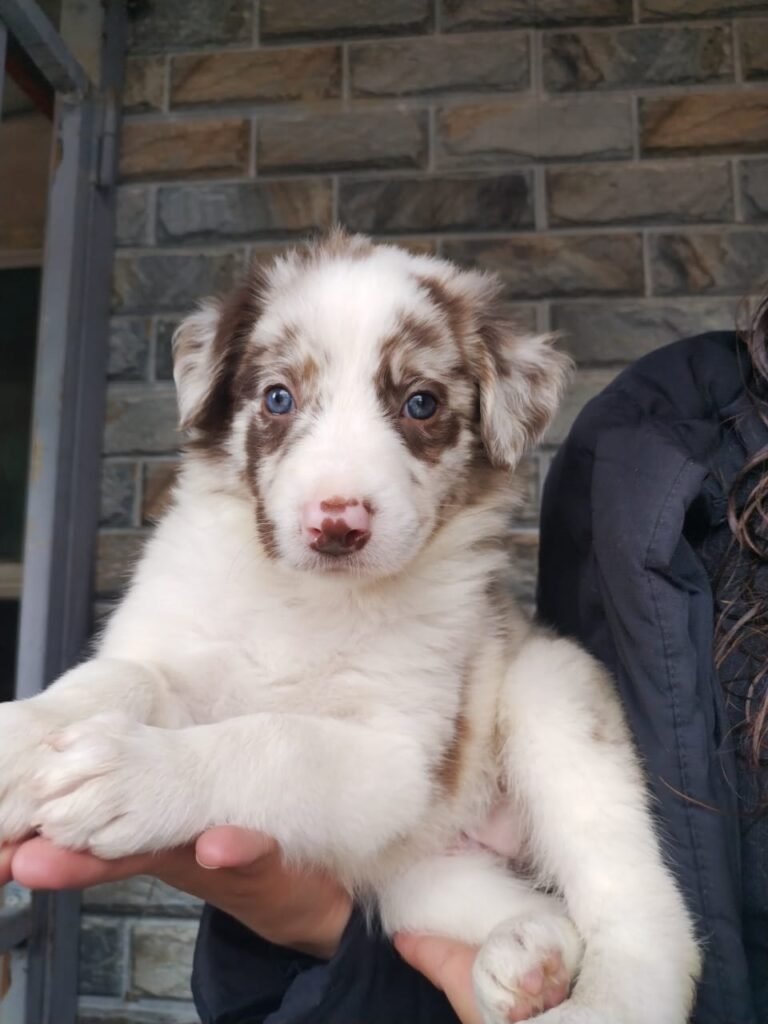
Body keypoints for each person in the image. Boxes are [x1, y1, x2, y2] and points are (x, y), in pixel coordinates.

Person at [3, 303, 767, 1023]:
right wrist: (47, 731)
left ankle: (640, 956)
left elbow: (392, 781)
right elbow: (150, 678)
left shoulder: (441, 592)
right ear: (217, 397)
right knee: (404, 888)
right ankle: (528, 932)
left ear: (490, 417)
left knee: (548, 686)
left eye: (421, 406)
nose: (339, 503)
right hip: (398, 877)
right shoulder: (200, 543)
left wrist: (195, 775)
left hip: (465, 775)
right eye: (279, 398)